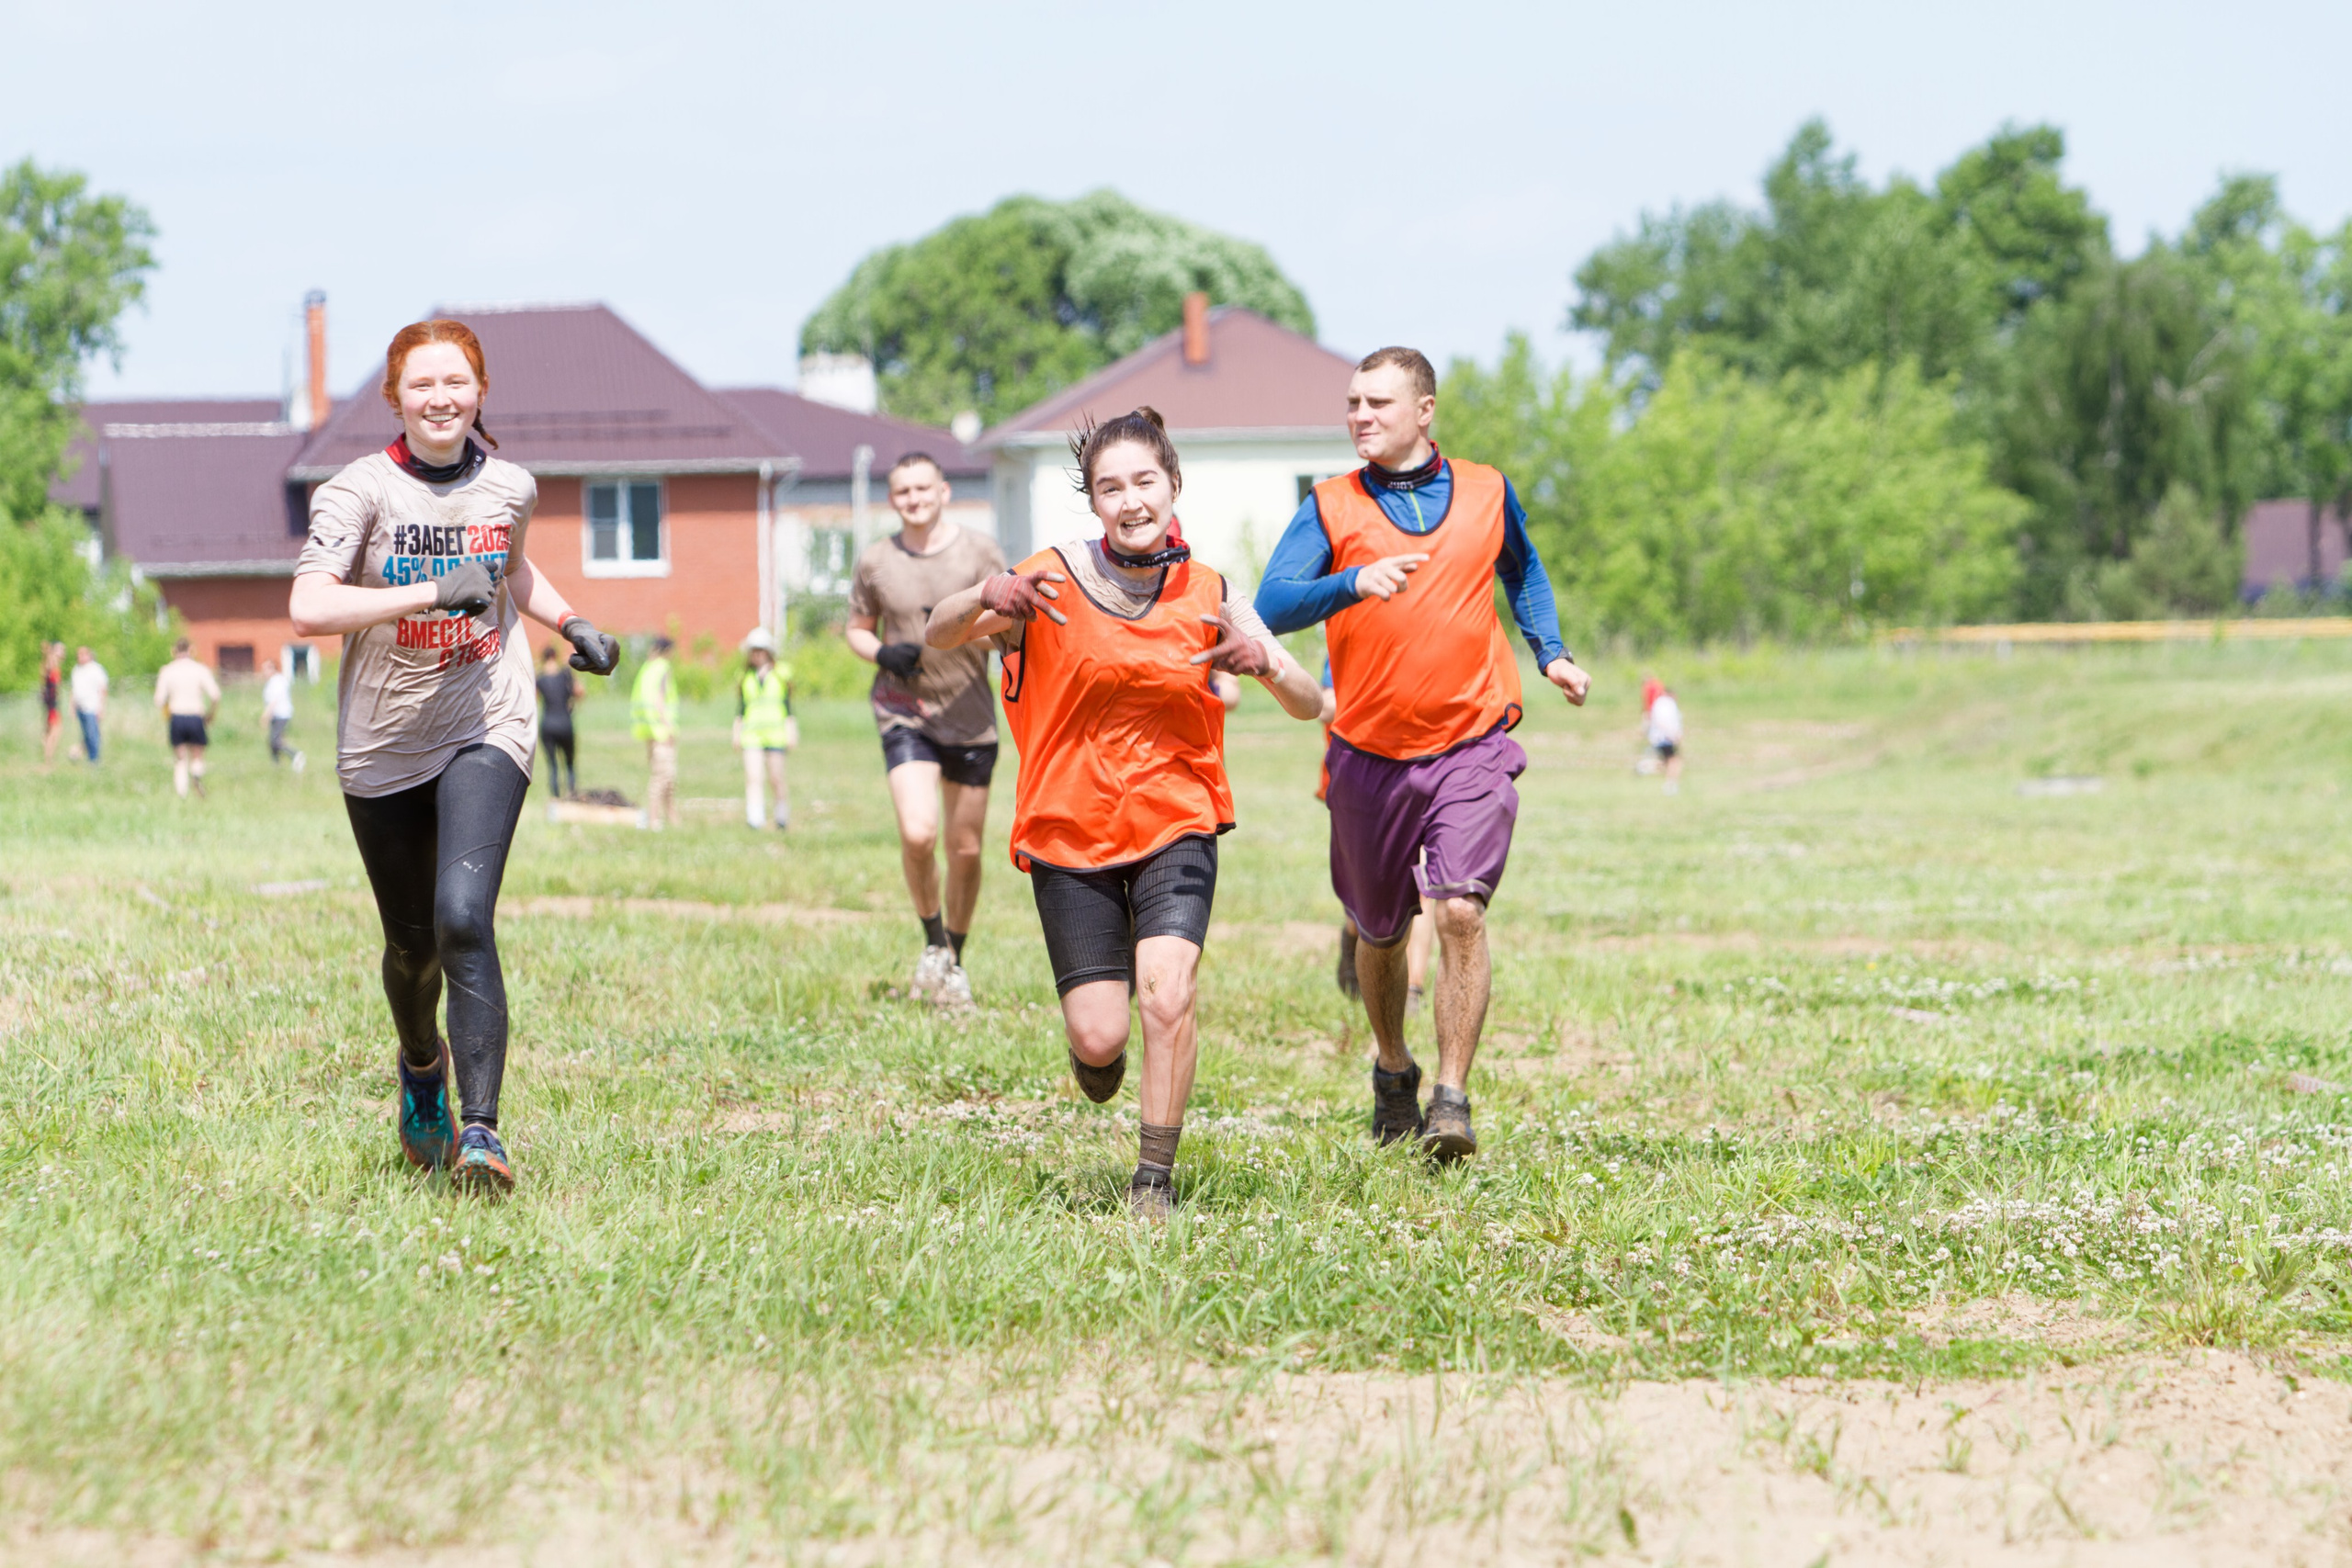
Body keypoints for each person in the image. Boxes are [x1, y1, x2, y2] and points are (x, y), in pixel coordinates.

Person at [926, 408, 1324, 1217]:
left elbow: (1309, 701)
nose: (1131, 500)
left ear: (1173, 485)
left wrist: (1266, 665)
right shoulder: (1048, 579)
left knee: (1168, 992)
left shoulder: (1210, 591)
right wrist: (985, 593)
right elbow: (939, 633)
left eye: (1146, 481)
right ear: (1094, 500)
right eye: (1112, 487)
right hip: (1069, 830)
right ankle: (1098, 1061)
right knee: (1100, 1036)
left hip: (1177, 818)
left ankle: (1154, 1180)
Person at [288, 317, 620, 1195]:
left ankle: (482, 1134)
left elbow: (510, 569)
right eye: (422, 385)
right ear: (395, 398)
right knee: (412, 948)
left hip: (487, 717)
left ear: (480, 393)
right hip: (383, 740)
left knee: (464, 916)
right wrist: (432, 589)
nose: (441, 399)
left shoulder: (510, 484)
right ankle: (420, 1065)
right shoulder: (358, 492)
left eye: (457, 383)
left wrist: (570, 619)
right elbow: (309, 607)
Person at [1257, 346, 1589, 1162]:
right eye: (1352, 403)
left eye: (1377, 402)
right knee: (1380, 933)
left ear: (1425, 409)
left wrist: (1549, 651)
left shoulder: (1486, 489)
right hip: (1368, 754)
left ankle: (1451, 1096)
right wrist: (1351, 582)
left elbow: (1525, 570)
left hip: (1472, 740)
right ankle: (1393, 1068)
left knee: (1461, 911)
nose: (1360, 415)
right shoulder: (1331, 506)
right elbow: (1271, 603)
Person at [846, 452, 1007, 1007]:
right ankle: (932, 942)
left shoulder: (980, 550)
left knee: (965, 849)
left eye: (922, 488)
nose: (913, 499)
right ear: (892, 500)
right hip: (902, 710)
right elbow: (857, 629)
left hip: (969, 714)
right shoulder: (875, 560)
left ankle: (955, 959)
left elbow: (1003, 624)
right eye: (902, 492)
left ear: (943, 492)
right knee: (919, 833)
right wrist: (883, 653)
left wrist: (973, 635)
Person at [733, 627, 795, 829]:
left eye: (760, 650)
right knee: (753, 777)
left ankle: (781, 816)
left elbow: (787, 707)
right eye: (754, 651)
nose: (757, 655)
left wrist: (791, 730)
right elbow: (741, 709)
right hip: (752, 735)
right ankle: (755, 818)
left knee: (776, 778)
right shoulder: (744, 677)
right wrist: (736, 732)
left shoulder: (781, 674)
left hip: (775, 735)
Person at [153, 638, 221, 799]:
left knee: (180, 758)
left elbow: (159, 699)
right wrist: (211, 714)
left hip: (177, 715)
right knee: (197, 755)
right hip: (196, 715)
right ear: (192, 650)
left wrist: (166, 712)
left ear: (173, 651)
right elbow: (215, 695)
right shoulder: (200, 670)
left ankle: (181, 792)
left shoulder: (167, 671)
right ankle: (196, 774)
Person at [630, 635, 679, 830]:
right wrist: (667, 727)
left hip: (649, 730)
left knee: (666, 777)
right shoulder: (662, 668)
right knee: (662, 777)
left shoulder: (647, 668)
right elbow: (659, 700)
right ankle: (655, 819)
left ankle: (672, 817)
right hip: (661, 731)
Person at [536, 643, 582, 798]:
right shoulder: (565, 674)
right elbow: (579, 692)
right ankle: (571, 793)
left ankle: (555, 798)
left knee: (553, 765)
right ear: (555, 656)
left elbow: (534, 698)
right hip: (564, 723)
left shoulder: (540, 678)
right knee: (569, 763)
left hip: (547, 724)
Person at [260, 657, 304, 771]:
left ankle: (295, 755)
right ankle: (276, 765)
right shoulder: (274, 681)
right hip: (278, 715)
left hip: (281, 714)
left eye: (265, 669)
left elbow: (274, 701)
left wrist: (266, 715)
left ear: (272, 669)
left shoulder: (276, 681)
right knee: (273, 741)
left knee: (275, 741)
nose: (263, 672)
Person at [68, 646, 107, 764]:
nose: (80, 657)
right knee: (85, 734)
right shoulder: (77, 670)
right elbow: (73, 690)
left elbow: (103, 689)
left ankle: (94, 759)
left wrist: (101, 707)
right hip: (80, 707)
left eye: (83, 655)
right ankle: (88, 756)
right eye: (79, 655)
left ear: (89, 656)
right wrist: (72, 707)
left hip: (92, 707)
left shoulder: (96, 669)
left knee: (93, 734)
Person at [1645, 680, 1684, 793]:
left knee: (1667, 761)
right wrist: (1673, 734)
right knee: (1674, 761)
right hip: (1666, 738)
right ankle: (1671, 784)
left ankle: (1669, 782)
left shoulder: (1659, 703)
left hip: (1660, 737)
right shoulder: (1666, 704)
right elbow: (1663, 721)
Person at [40, 643, 64, 764]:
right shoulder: (51, 665)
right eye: (61, 649)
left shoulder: (54, 666)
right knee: (55, 731)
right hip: (52, 704)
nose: (63, 652)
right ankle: (48, 759)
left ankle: (48, 758)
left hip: (52, 703)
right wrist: (48, 651)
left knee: (51, 731)